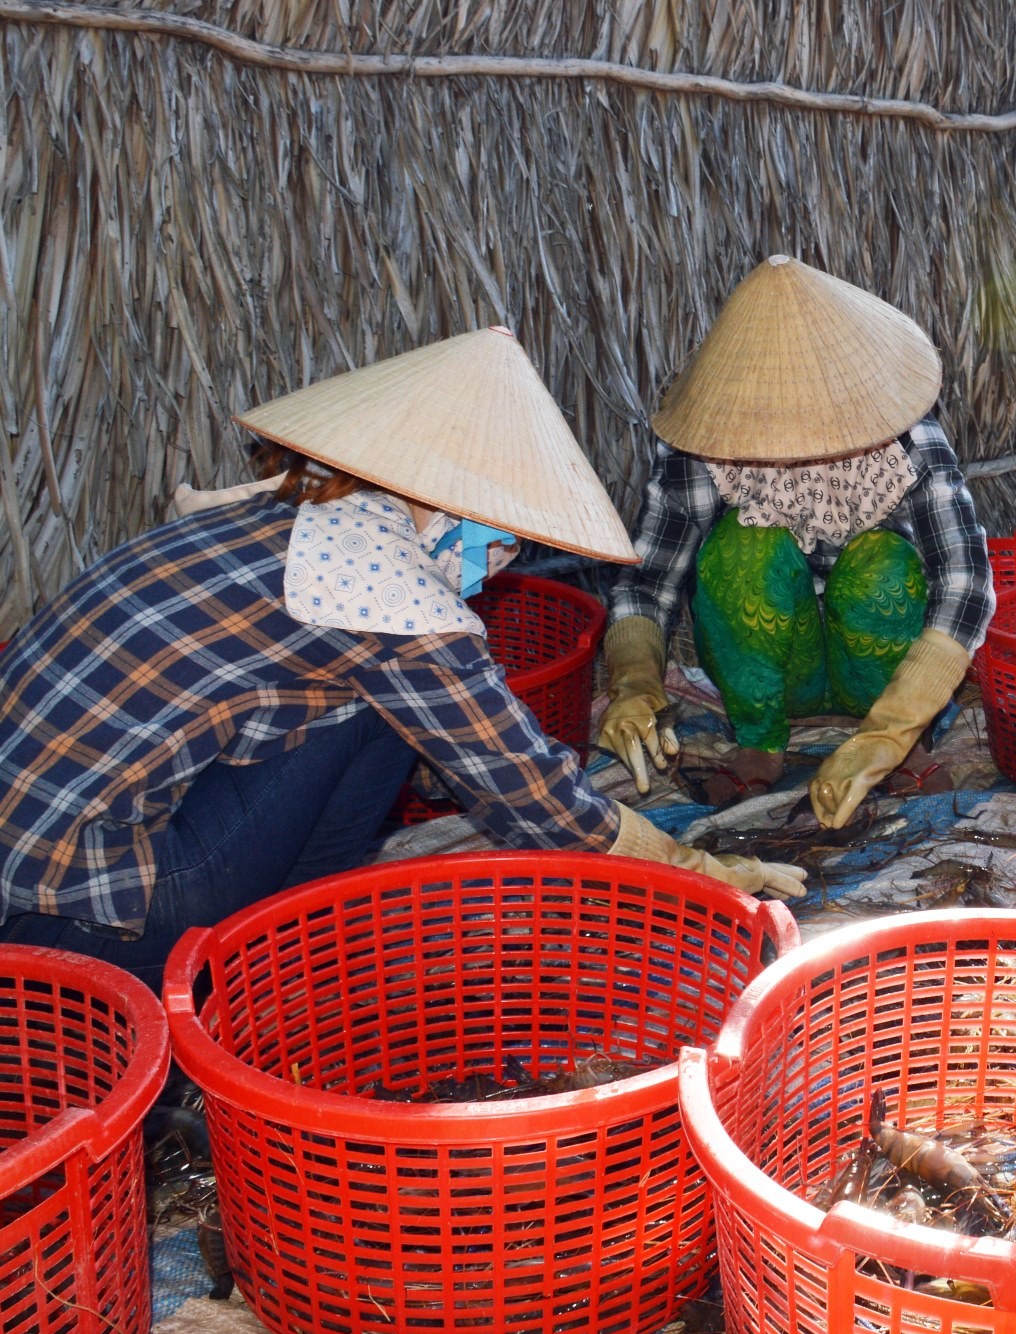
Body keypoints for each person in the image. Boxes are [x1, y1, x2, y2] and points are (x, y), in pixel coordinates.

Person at [0, 327, 804, 990]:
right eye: (495, 532)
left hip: (34, 868)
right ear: (433, 497)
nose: (497, 561)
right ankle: (247, 967)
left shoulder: (302, 523)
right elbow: (537, 803)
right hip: (82, 910)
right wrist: (693, 863)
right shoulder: (383, 595)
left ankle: (268, 949)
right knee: (387, 719)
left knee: (379, 715)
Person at [597, 255, 994, 826]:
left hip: (885, 658)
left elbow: (965, 583)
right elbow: (648, 581)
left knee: (885, 563)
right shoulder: (702, 444)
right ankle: (760, 739)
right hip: (774, 667)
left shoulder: (908, 437)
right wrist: (634, 681)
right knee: (742, 546)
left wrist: (891, 730)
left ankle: (906, 743)